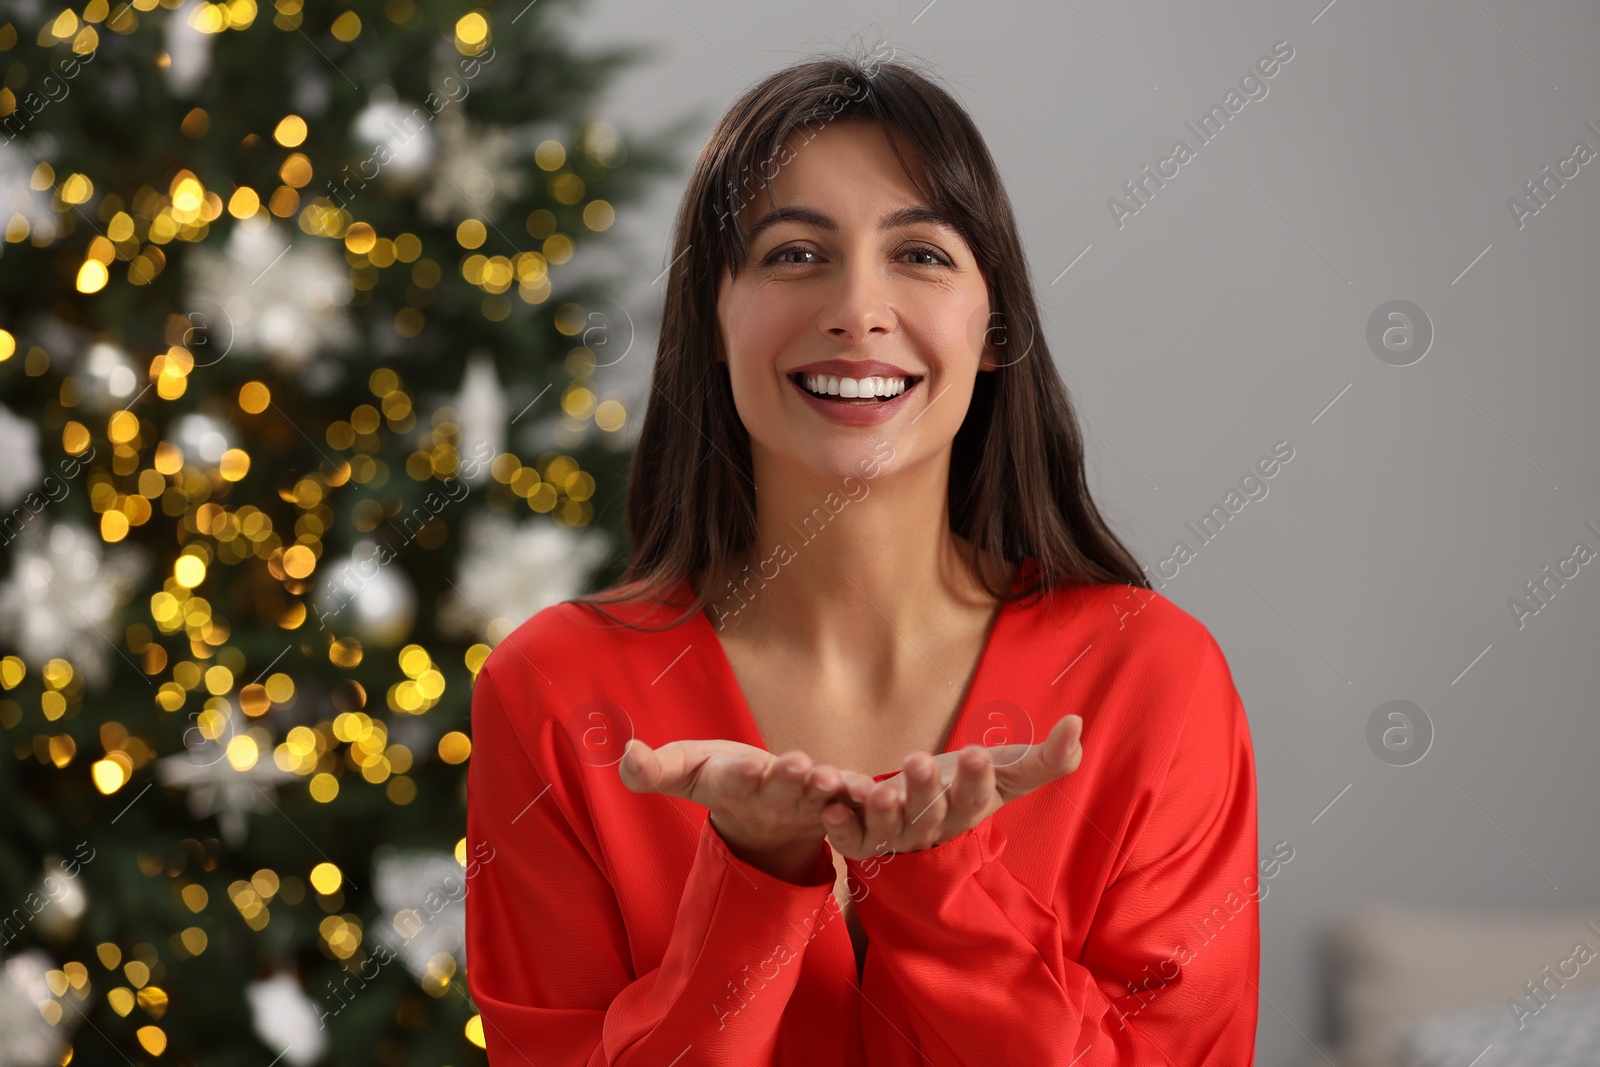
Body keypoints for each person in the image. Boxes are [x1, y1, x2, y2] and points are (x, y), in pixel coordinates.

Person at [465, 51, 1259, 1066]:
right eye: (794, 253)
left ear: (993, 324)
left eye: (920, 254)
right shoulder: (553, 687)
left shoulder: (1152, 676)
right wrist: (749, 880)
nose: (857, 308)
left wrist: (939, 886)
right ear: (713, 315)